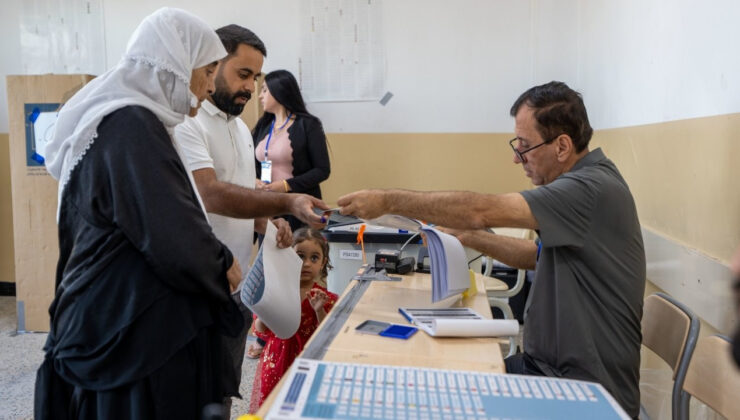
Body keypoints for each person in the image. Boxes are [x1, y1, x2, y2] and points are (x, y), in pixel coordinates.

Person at [337, 81, 646, 418]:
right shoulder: (583, 188)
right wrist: (471, 236)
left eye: (524, 146)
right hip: (547, 371)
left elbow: (480, 209)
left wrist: (388, 201)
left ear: (562, 146)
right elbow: (537, 256)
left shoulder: (588, 189)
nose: (516, 158)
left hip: (583, 394)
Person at [36, 8, 243, 419]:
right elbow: (172, 234)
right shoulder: (131, 125)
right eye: (206, 71)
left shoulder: (136, 122)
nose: (207, 86)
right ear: (176, 67)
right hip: (121, 328)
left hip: (121, 313)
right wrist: (223, 264)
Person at [173, 25, 327, 412]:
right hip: (198, 281)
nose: (250, 87)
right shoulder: (188, 123)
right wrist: (287, 205)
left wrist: (266, 222)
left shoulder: (241, 129)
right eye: (243, 74)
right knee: (193, 390)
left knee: (225, 384)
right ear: (212, 66)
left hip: (238, 280)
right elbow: (209, 194)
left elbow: (243, 190)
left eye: (256, 77)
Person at [248, 228, 338, 410]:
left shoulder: (324, 298)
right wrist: (268, 310)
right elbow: (260, 329)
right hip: (276, 361)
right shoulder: (274, 292)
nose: (306, 263)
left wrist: (319, 310)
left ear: (323, 263)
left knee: (304, 406)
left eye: (314, 258)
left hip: (308, 362)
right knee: (273, 406)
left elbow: (327, 334)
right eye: (299, 256)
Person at [253, 69, 331, 231]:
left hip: (299, 207)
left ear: (279, 91)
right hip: (268, 207)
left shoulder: (308, 124)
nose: (260, 96)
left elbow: (322, 170)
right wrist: (255, 181)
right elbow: (253, 165)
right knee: (268, 253)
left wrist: (286, 185)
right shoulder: (263, 126)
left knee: (297, 251)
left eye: (265, 90)